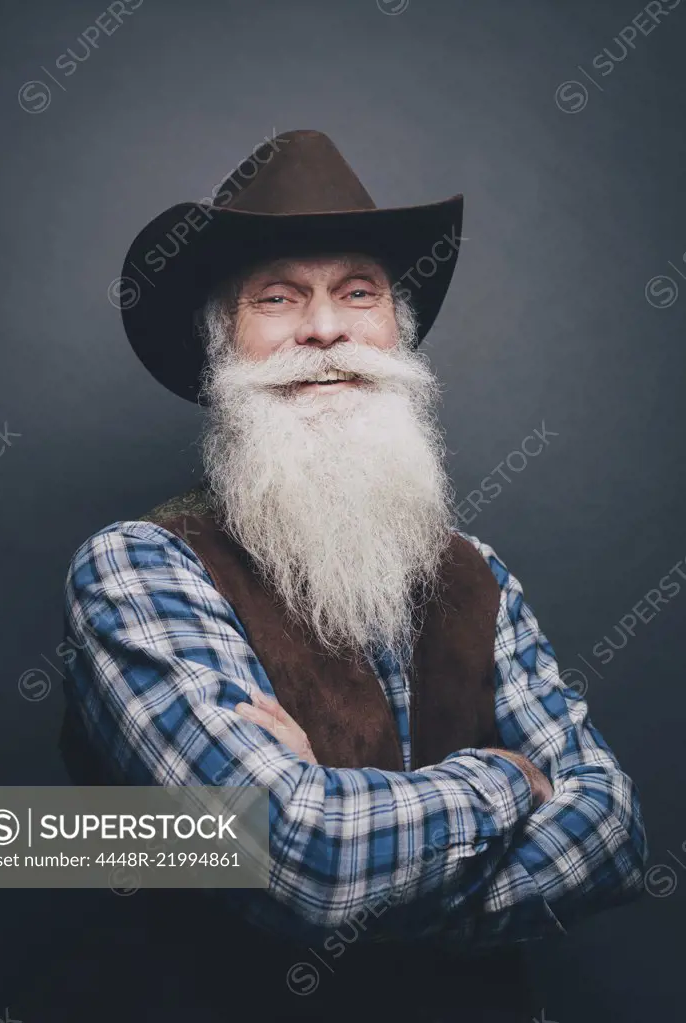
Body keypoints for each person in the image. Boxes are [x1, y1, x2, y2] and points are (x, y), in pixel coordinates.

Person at [59, 129, 647, 1022]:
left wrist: (347, 857)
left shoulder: (476, 572)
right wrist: (506, 782)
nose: (325, 327)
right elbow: (290, 859)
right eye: (277, 297)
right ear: (223, 347)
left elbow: (614, 836)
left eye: (358, 292)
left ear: (394, 331)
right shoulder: (138, 568)